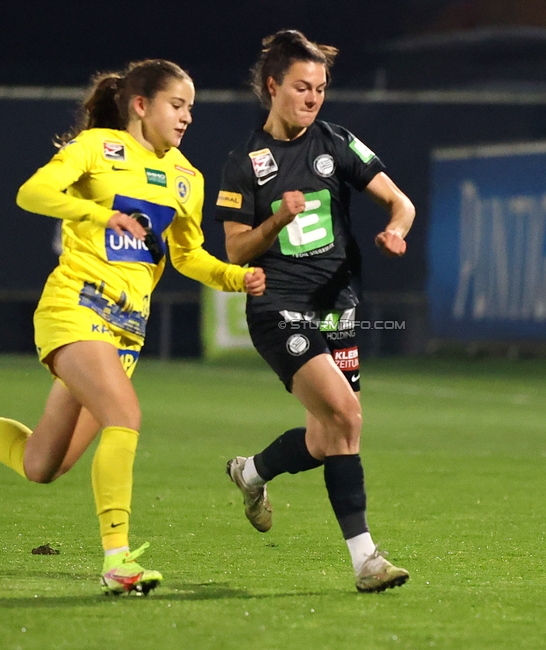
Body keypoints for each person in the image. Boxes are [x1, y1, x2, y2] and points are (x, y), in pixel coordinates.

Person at [0, 59, 265, 595]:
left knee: (42, 464)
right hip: (77, 307)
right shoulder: (97, 150)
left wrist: (237, 276)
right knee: (125, 414)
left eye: (191, 108)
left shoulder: (188, 178)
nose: (186, 117)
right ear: (141, 105)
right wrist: (97, 214)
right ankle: (117, 560)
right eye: (177, 105)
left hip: (126, 332)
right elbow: (32, 194)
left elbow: (189, 256)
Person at [215, 30, 416, 593]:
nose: (313, 98)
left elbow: (401, 203)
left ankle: (250, 472)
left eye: (321, 88)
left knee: (329, 438)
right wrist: (278, 219)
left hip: (340, 310)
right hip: (278, 310)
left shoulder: (335, 142)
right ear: (273, 86)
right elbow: (234, 250)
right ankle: (366, 561)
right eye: (302, 87)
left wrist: (396, 230)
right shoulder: (244, 164)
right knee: (348, 418)